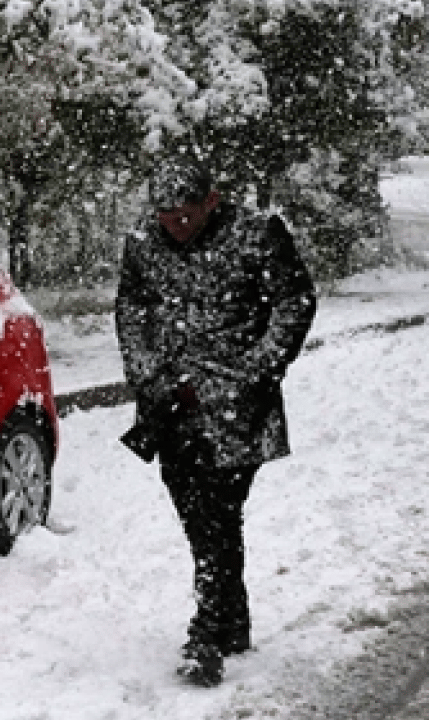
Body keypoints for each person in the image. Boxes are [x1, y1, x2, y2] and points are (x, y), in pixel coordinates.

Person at [115, 158, 317, 687]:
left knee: (218, 509)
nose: (175, 224)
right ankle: (233, 617)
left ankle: (206, 630)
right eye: (166, 215)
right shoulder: (143, 244)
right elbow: (131, 308)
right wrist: (143, 370)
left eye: (186, 213)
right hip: (170, 402)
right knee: (194, 508)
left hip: (236, 406)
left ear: (212, 198)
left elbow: (294, 302)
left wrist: (256, 370)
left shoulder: (258, 234)